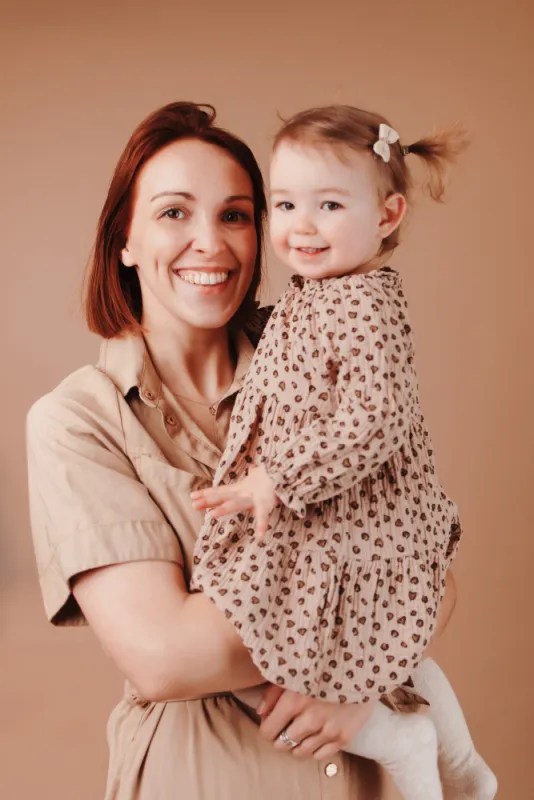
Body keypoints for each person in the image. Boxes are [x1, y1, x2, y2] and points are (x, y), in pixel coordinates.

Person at [25, 101, 440, 800]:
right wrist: (366, 649)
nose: (210, 243)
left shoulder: (326, 356)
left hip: (365, 776)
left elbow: (421, 534)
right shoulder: (78, 422)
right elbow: (167, 657)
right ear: (122, 238)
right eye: (173, 213)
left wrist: (359, 691)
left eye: (236, 215)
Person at [190, 105, 498, 800]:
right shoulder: (319, 295)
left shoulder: (360, 304)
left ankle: (409, 746)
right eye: (286, 204)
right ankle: (465, 764)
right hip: (344, 512)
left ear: (387, 215)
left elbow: (376, 419)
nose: (302, 225)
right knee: (386, 648)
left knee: (267, 638)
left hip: (358, 515)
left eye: (329, 205)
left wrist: (277, 478)